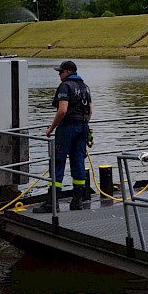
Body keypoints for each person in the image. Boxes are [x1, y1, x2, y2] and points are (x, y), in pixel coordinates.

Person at [35, 60, 93, 213]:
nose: (59, 75)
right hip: (82, 129)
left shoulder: (65, 86)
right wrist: (84, 127)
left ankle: (52, 203)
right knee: (78, 161)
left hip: (67, 129)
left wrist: (51, 129)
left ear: (68, 72)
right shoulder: (85, 87)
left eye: (60, 72)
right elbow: (90, 111)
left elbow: (62, 110)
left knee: (57, 162)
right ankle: (77, 201)